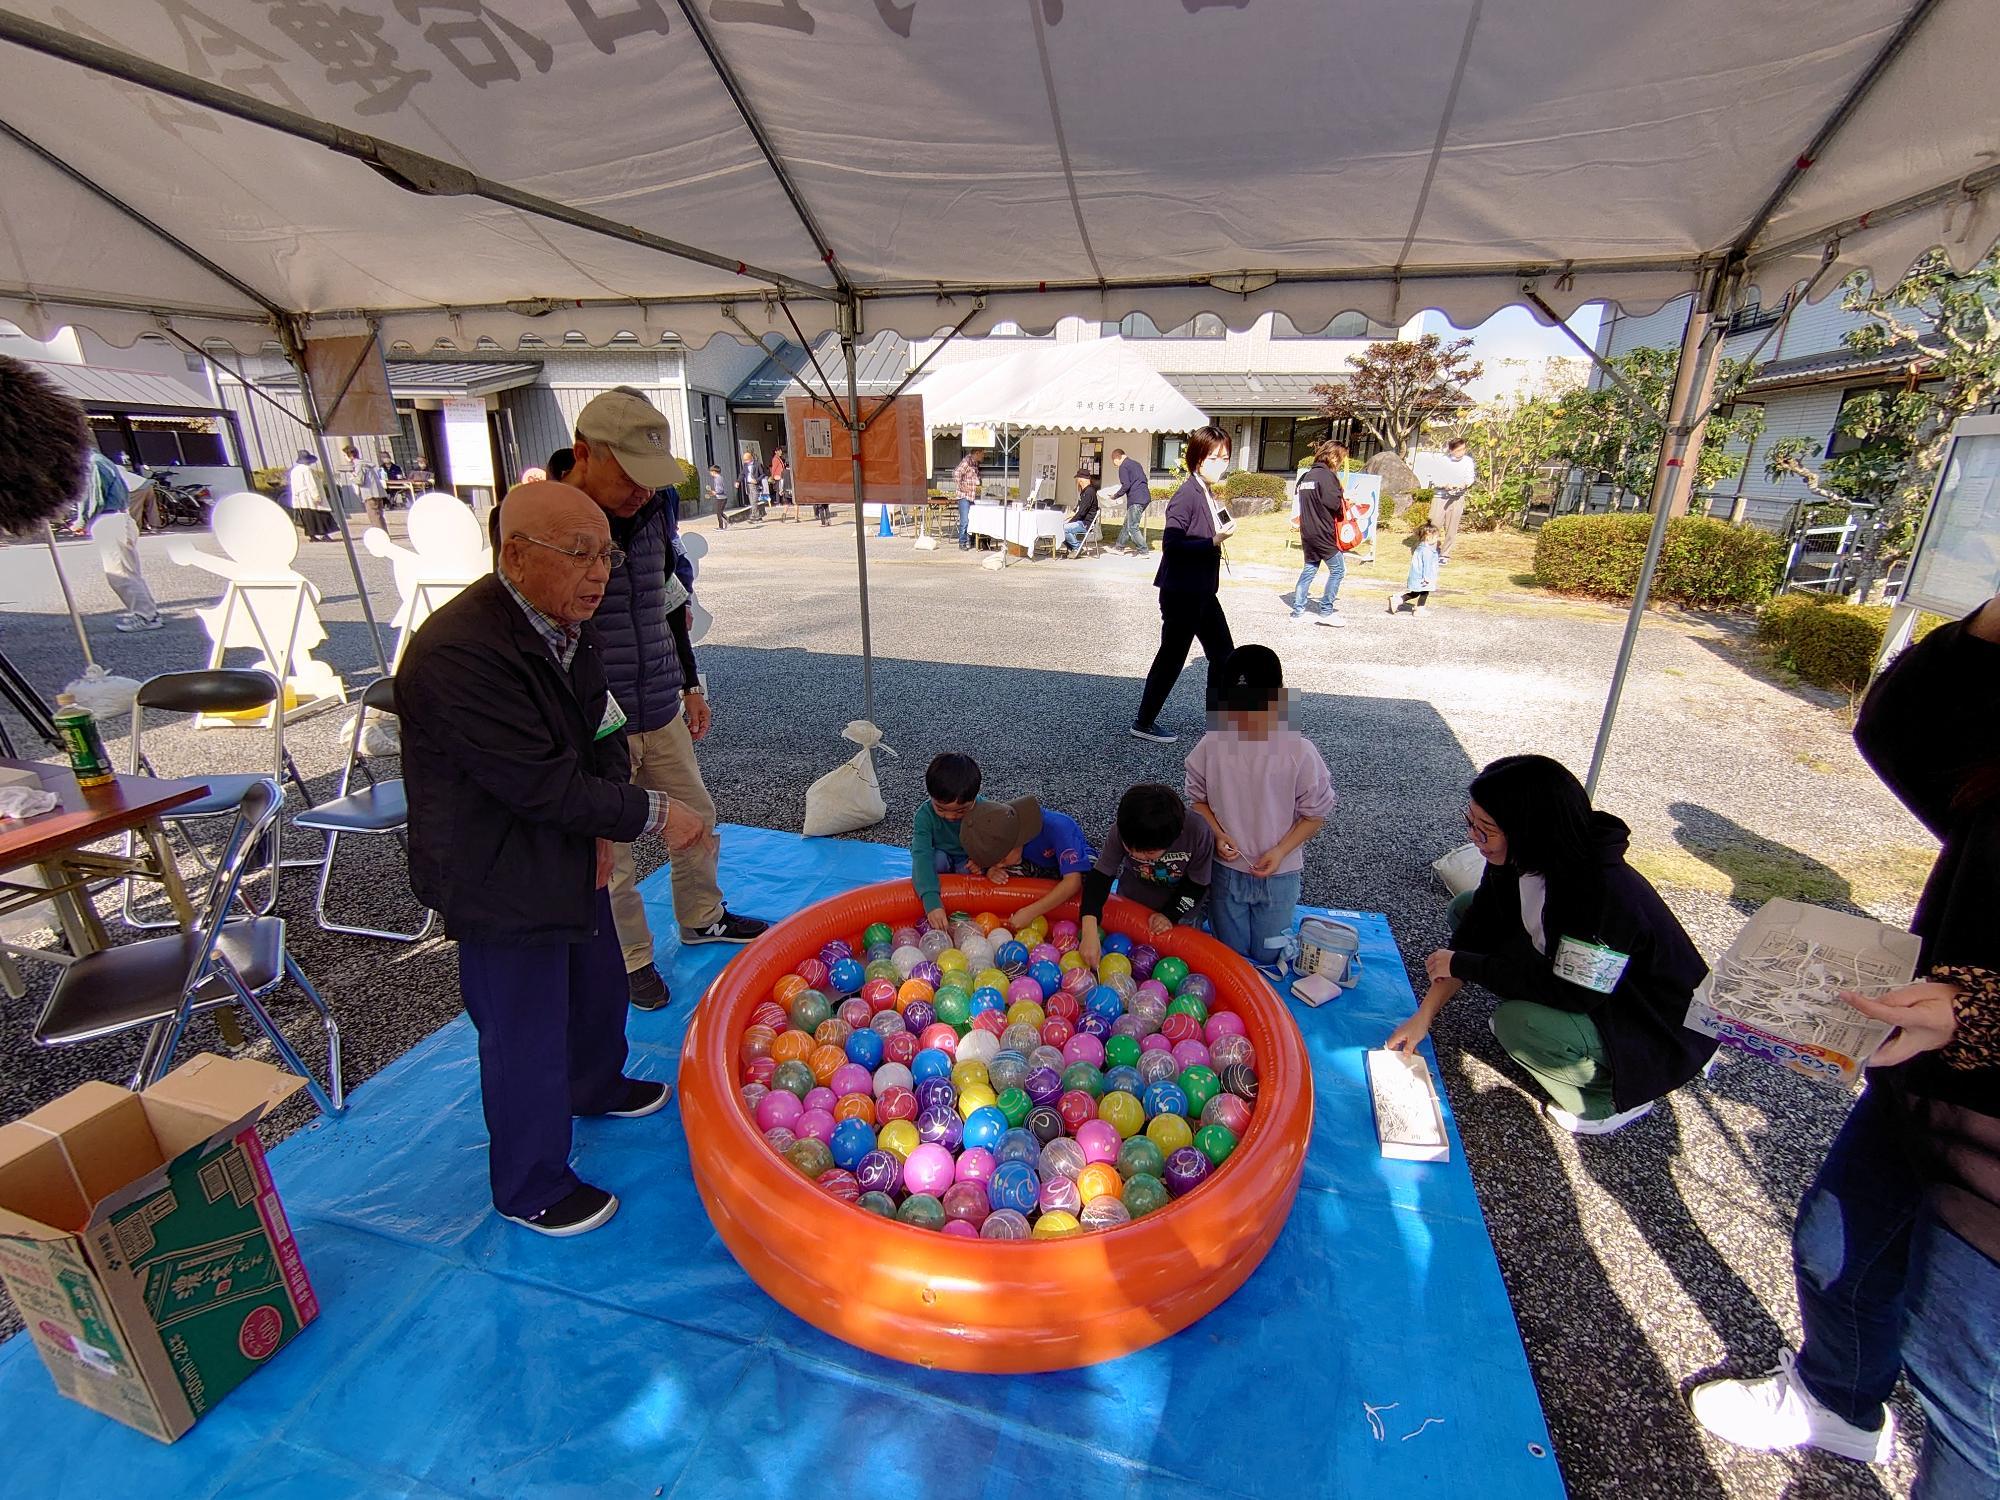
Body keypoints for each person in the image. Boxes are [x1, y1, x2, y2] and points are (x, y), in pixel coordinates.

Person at [1691, 590, 2000, 1496]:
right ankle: (1836, 1399)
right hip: (1927, 1078)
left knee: (1970, 1401)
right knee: (1835, 1247)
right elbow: (1902, 730)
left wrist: (1977, 1006)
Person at [397, 480, 708, 1236]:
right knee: (523, 1030)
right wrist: (653, 813)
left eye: (604, 552)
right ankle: (531, 1185)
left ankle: (594, 1082)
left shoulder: (571, 622)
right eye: (578, 553)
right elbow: (536, 784)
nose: (599, 571)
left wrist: (606, 829)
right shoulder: (458, 653)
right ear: (513, 555)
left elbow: (603, 730)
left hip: (568, 848)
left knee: (597, 981)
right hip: (496, 868)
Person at [565, 389, 768, 1010]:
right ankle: (630, 960)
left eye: (652, 479)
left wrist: (689, 681)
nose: (643, 492)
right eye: (630, 477)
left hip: (659, 702)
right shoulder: (553, 521)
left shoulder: (654, 511)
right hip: (599, 723)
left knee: (697, 818)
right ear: (584, 455)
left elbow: (669, 603)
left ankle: (701, 917)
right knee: (615, 852)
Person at [1386, 754, 1717, 1134]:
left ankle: (1608, 1102)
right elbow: (1478, 924)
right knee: (1465, 909)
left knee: (1519, 1024)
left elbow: (1574, 994)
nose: (1474, 838)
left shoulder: (1599, 894)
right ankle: (1560, 1037)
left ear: (1531, 829)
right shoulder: (1524, 854)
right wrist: (1424, 1015)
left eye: (1486, 830)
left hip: (1652, 1022)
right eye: (1471, 823)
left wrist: (1464, 965)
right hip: (1586, 979)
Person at [1185, 646, 1333, 966]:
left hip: (1279, 874)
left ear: (1279, 698)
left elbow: (1315, 814)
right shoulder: (1213, 743)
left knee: (1269, 953)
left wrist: (1280, 851)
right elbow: (1197, 800)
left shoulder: (1300, 750)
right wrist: (1217, 833)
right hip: (1226, 871)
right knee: (1231, 957)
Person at [1131, 424, 1236, 744]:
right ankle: (1144, 722)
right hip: (1182, 593)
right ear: (1198, 458)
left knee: (1223, 655)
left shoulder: (1205, 491)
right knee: (1173, 657)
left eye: (1225, 457)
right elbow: (1172, 544)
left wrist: (1219, 531)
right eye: (1215, 457)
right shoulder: (1186, 494)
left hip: (1201, 591)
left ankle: (1219, 724)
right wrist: (1214, 539)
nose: (1221, 463)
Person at [1078, 783, 1215, 966]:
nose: (1136, 856)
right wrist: (1089, 930)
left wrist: (1170, 915)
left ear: (1177, 836)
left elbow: (1197, 884)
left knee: (1179, 955)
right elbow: (1101, 877)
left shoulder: (1197, 832)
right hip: (1135, 896)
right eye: (1130, 849)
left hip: (1181, 902)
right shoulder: (1123, 831)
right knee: (1129, 948)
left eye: (1149, 854)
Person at [961, 795, 1098, 930]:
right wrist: (990, 870)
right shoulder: (1003, 832)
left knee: (1093, 877)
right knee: (1003, 876)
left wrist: (1031, 911)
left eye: (1001, 860)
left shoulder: (1058, 827)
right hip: (1039, 865)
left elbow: (1073, 882)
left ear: (1016, 841)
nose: (1000, 865)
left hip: (1076, 867)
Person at [912, 752, 986, 931]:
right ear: (930, 796)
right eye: (941, 809)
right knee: (936, 860)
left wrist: (984, 863)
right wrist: (931, 900)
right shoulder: (925, 816)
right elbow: (921, 856)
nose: (951, 816)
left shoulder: (985, 812)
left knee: (968, 869)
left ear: (974, 799)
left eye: (961, 811)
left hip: (967, 860)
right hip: (941, 860)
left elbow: (997, 843)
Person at [1291, 439, 1348, 625]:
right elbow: (1334, 504)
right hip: (1323, 532)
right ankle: (1326, 610)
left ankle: (1298, 612)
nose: (1340, 463)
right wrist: (1345, 501)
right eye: (1340, 458)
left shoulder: (1307, 476)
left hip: (1307, 531)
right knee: (1338, 570)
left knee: (1309, 568)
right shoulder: (1327, 477)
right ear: (1333, 456)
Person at [1427, 437, 1475, 565]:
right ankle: (1430, 550)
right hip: (1440, 496)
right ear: (1451, 450)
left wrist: (1464, 485)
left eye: (1463, 449)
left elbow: (1470, 478)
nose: (1462, 452)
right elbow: (1433, 478)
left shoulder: (1468, 461)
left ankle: (1445, 554)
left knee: (1451, 527)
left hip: (1457, 497)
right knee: (1434, 525)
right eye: (1458, 450)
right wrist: (1445, 485)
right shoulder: (1441, 461)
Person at [1107, 446, 1153, 554]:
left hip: (1136, 499)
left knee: (1132, 527)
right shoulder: (1136, 464)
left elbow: (1126, 485)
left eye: (1113, 460)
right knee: (1127, 524)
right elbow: (1144, 479)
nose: (1114, 463)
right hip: (1144, 497)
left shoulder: (1123, 466)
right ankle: (1119, 547)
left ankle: (1144, 550)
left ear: (1117, 457)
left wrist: (1115, 496)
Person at [1388, 522, 1441, 614]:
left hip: (1416, 575)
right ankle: (1419, 609)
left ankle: (1399, 599)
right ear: (1428, 536)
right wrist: (1427, 577)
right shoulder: (1427, 551)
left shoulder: (1419, 547)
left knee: (1415, 593)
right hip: (1423, 577)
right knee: (1424, 593)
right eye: (1436, 537)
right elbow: (1427, 565)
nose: (1437, 539)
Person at [286, 449, 334, 541]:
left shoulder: (294, 471)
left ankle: (312, 536)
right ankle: (323, 534)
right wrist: (316, 496)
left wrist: (295, 500)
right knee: (319, 516)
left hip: (300, 497)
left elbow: (294, 486)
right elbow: (311, 484)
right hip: (309, 496)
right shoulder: (307, 470)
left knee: (307, 517)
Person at [1059, 466, 1100, 557]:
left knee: (1063, 529)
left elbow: (1081, 513)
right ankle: (1072, 548)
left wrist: (1070, 521)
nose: (1077, 482)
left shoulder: (1089, 493)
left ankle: (1077, 548)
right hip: (1081, 521)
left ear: (1081, 480)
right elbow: (1077, 509)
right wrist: (1065, 518)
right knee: (1058, 527)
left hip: (1085, 523)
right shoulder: (1085, 492)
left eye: (1077, 479)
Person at [954, 448, 984, 551]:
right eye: (982, 453)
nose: (983, 456)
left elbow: (974, 477)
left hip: (972, 495)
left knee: (972, 519)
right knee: (965, 520)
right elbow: (957, 473)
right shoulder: (967, 461)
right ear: (977, 453)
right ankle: (962, 542)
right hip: (964, 496)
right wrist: (961, 486)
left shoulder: (975, 463)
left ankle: (970, 541)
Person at [738, 448, 764, 522]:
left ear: (751, 458)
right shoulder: (745, 465)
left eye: (747, 460)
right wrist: (738, 481)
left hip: (755, 485)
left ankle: (753, 516)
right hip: (748, 485)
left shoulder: (757, 464)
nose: (746, 462)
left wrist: (757, 480)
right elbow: (742, 474)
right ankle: (758, 517)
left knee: (754, 501)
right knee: (752, 501)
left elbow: (763, 474)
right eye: (745, 460)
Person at [706, 463, 730, 529]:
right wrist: (714, 492)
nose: (710, 473)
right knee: (720, 512)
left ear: (714, 472)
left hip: (721, 498)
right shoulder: (720, 478)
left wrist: (715, 492)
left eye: (710, 472)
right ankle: (728, 521)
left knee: (718, 512)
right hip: (723, 497)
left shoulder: (717, 479)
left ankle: (721, 527)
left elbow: (720, 490)